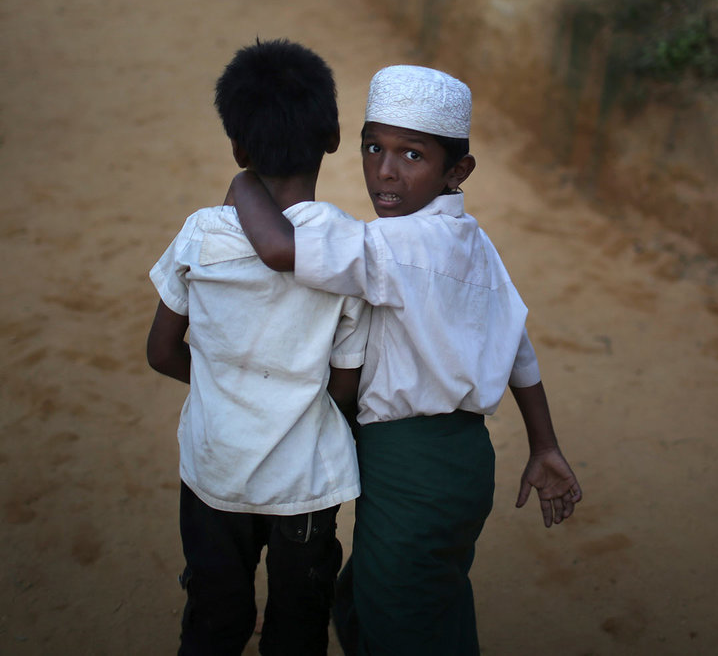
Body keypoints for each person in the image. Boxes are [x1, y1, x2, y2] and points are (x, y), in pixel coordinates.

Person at [229, 64, 582, 655]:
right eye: (374, 148)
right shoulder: (469, 237)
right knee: (405, 602)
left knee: (401, 622)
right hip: (458, 463)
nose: (385, 171)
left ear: (457, 170)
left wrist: (245, 181)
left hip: (413, 467)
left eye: (412, 155)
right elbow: (517, 345)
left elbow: (278, 248)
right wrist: (543, 445)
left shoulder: (399, 245)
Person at [146, 39, 371, 656]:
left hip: (213, 470)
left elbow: (163, 351)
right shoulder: (349, 251)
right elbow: (345, 386)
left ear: (239, 148)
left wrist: (228, 382)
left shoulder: (201, 234)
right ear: (333, 137)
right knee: (299, 627)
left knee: (215, 618)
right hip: (304, 480)